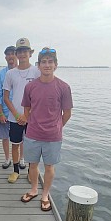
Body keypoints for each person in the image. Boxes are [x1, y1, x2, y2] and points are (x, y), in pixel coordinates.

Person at [20, 47, 73, 211]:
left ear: (56, 65)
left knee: (49, 167)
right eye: (44, 62)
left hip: (53, 136)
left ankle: (45, 194)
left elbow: (67, 113)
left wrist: (56, 127)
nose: (47, 65)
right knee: (33, 165)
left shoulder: (63, 87)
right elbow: (27, 110)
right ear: (38, 65)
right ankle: (34, 189)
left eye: (50, 62)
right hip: (32, 134)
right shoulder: (30, 87)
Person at [3, 38, 40, 183]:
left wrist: (28, 115)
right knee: (15, 144)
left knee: (32, 145)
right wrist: (18, 115)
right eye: (20, 51)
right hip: (15, 117)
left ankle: (31, 171)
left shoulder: (37, 71)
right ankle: (16, 171)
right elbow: (6, 97)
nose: (22, 54)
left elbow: (39, 96)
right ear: (16, 54)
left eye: (25, 51)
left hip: (32, 118)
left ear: (30, 53)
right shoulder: (10, 74)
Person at [0, 46, 18, 169]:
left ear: (17, 55)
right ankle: (7, 158)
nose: (11, 56)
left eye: (13, 53)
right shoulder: (0, 74)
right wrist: (0, 113)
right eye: (8, 54)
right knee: (5, 136)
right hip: (5, 111)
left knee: (22, 138)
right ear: (5, 57)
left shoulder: (22, 72)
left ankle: (22, 159)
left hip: (20, 113)